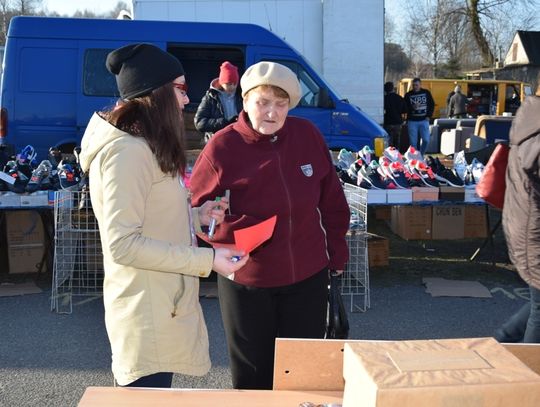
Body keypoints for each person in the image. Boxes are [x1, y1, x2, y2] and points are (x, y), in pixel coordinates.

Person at [79, 43, 248, 388]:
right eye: (181, 89)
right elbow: (122, 244)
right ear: (154, 94)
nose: (187, 100)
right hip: (146, 311)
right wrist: (209, 258)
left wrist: (196, 214)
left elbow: (151, 213)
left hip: (160, 305)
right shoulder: (126, 152)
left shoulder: (143, 145)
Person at [189, 61, 350, 390]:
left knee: (303, 376)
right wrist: (219, 246)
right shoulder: (222, 147)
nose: (272, 113)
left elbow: (333, 202)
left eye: (281, 104)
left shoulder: (307, 136)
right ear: (244, 101)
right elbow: (190, 214)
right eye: (263, 102)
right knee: (254, 380)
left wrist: (337, 255)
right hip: (248, 282)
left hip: (307, 277)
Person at [494, 74, 540, 343]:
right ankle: (527, 375)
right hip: (532, 231)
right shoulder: (536, 128)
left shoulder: (531, 117)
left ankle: (499, 346)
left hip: (526, 224)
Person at [194, 61, 243, 144]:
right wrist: (224, 122)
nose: (232, 87)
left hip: (239, 141)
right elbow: (199, 123)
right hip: (217, 142)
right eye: (228, 84)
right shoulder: (210, 97)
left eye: (235, 83)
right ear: (221, 82)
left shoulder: (243, 96)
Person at [404, 77, 434, 155]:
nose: (415, 87)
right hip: (412, 121)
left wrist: (429, 115)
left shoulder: (426, 92)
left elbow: (432, 104)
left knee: (426, 140)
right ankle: (415, 158)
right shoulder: (408, 95)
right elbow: (404, 107)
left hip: (424, 120)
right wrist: (412, 107)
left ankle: (421, 155)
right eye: (413, 85)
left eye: (416, 85)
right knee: (413, 142)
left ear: (420, 85)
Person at [383, 81, 406, 149]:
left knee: (388, 141)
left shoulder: (384, 99)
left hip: (387, 122)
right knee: (397, 140)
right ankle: (396, 154)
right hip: (397, 122)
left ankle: (389, 154)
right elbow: (404, 110)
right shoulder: (399, 98)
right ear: (393, 88)